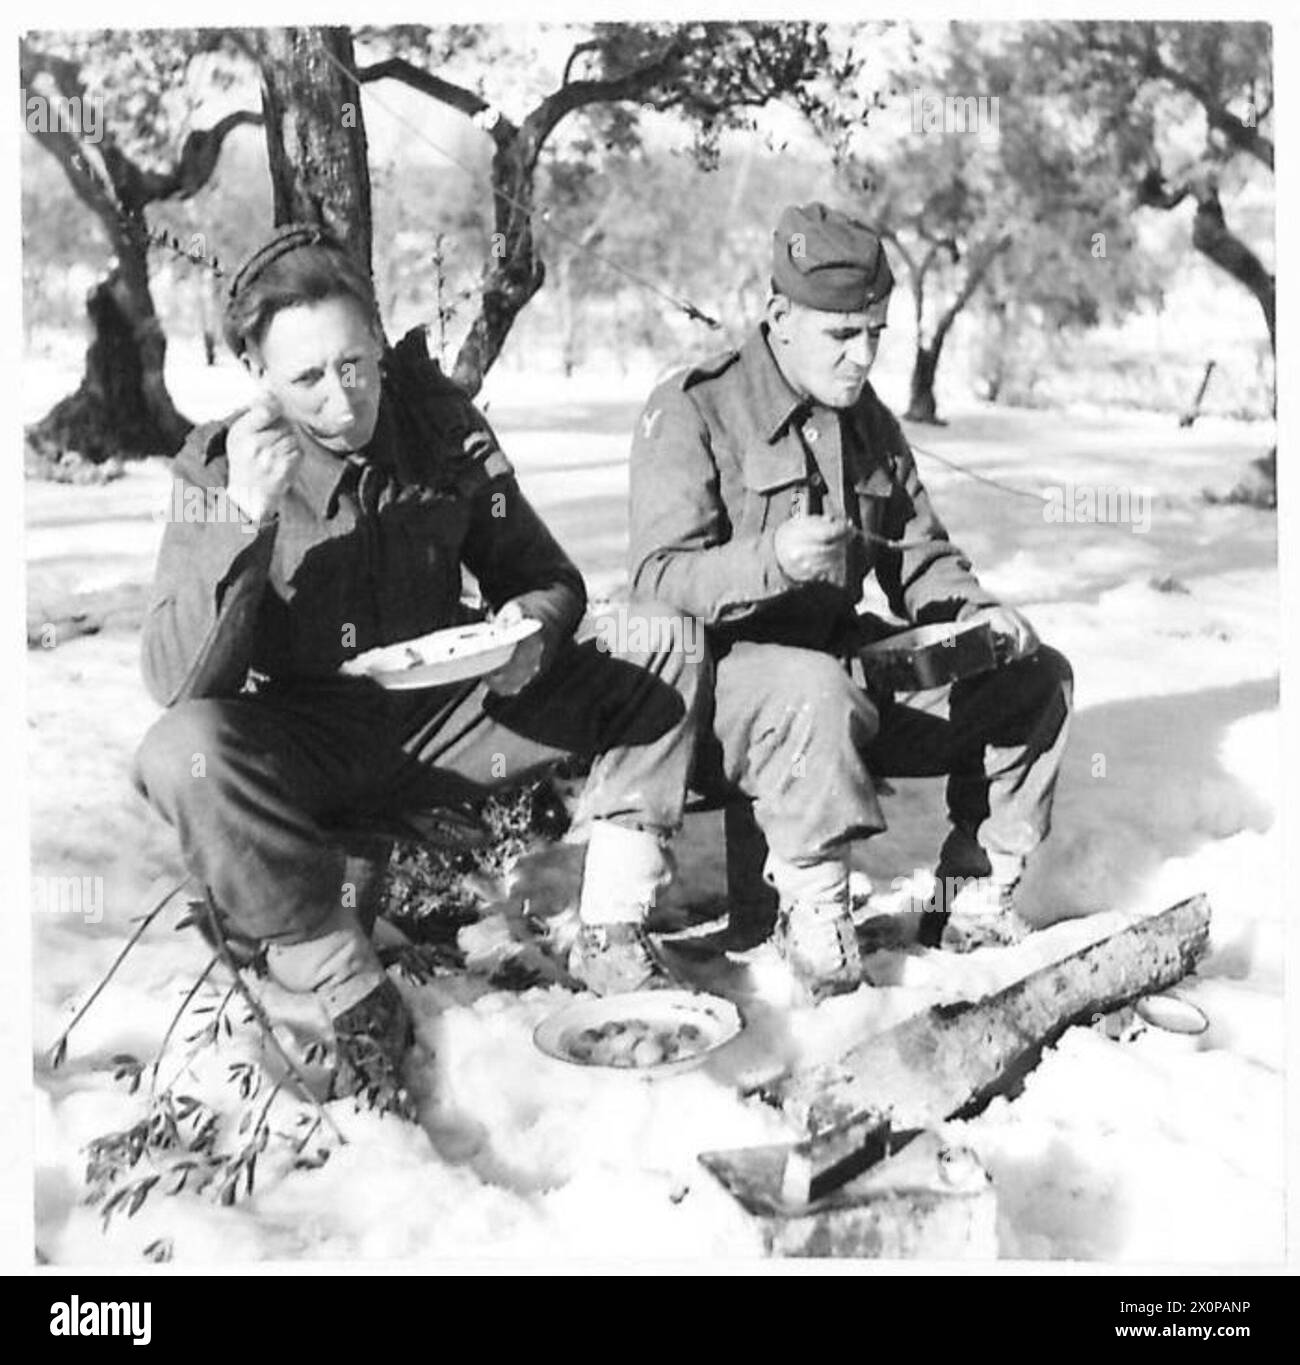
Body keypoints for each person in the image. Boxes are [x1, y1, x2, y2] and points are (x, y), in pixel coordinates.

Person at [132, 223, 703, 1110]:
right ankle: (342, 976)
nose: (341, 397)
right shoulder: (218, 464)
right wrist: (241, 519)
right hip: (314, 740)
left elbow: (547, 574)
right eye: (308, 378)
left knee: (660, 651)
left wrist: (529, 631)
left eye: (356, 363)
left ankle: (612, 921)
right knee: (181, 752)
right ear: (259, 377)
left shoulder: (437, 427)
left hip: (456, 717)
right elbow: (176, 682)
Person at [627, 202, 1073, 1000]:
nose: (863, 356)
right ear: (779, 317)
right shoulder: (694, 408)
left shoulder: (868, 424)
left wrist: (972, 617)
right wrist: (771, 559)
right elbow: (659, 581)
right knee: (811, 688)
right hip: (715, 701)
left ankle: (970, 895)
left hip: (839, 678)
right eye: (842, 335)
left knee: (1033, 676)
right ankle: (815, 912)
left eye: (875, 334)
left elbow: (923, 557)